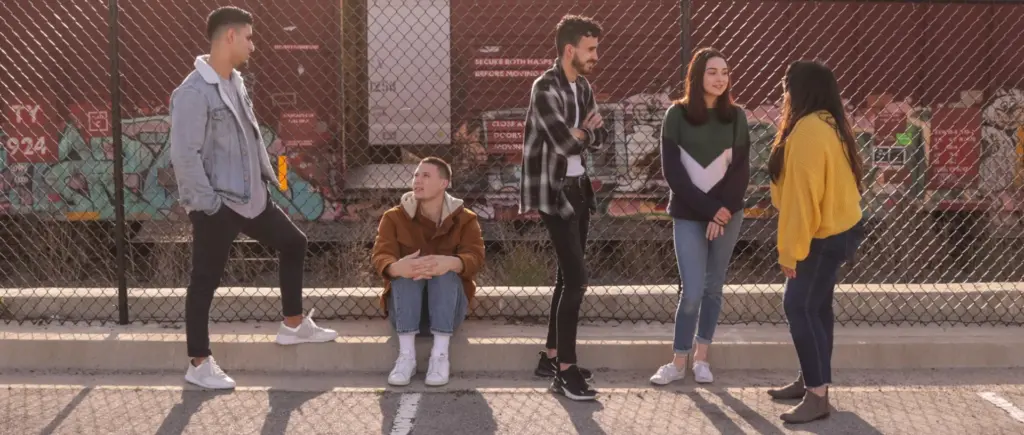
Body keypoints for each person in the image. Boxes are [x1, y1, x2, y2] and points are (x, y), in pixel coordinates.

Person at [169, 6, 338, 390]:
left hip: (251, 196)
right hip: (218, 203)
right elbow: (183, 155)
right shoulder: (193, 92)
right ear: (229, 37)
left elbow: (249, 135)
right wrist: (209, 205)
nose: (253, 45)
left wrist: (269, 177)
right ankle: (199, 362)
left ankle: (293, 325)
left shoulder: (236, 81)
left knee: (295, 243)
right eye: (248, 37)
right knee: (205, 281)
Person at [764, 60, 865, 424]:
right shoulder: (828, 123)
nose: (783, 95)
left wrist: (790, 251)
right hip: (840, 227)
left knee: (798, 306)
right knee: (817, 306)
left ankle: (817, 396)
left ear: (799, 90)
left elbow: (802, 198)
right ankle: (812, 381)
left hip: (822, 234)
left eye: (785, 88)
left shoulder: (808, 129)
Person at [519, 14, 609, 401]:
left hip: (579, 189)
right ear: (569, 49)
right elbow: (564, 143)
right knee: (577, 279)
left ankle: (552, 357)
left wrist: (585, 133)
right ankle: (566, 374)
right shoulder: (545, 87)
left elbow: (599, 137)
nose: (595, 57)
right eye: (590, 49)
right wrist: (585, 132)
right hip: (554, 193)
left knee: (565, 277)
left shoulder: (583, 86)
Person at [650, 48, 750, 386]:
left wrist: (721, 214)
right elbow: (674, 175)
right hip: (690, 216)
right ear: (697, 76)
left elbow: (740, 172)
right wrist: (711, 211)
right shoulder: (675, 115)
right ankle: (678, 361)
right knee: (691, 291)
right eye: (712, 72)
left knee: (712, 288)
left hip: (727, 215)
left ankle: (702, 358)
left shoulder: (736, 116)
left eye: (725, 71)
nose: (720, 78)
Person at [371, 157, 485, 387]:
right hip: (403, 313)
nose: (417, 180)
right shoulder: (393, 217)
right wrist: (396, 267)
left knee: (444, 272)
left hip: (448, 315)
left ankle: (440, 356)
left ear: (444, 183)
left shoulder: (465, 219)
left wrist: (452, 263)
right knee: (408, 270)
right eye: (415, 175)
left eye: (426, 175)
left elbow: (476, 257)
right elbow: (381, 255)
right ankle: (406, 357)